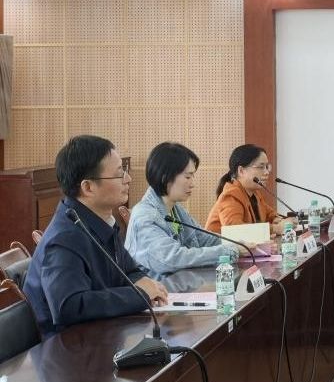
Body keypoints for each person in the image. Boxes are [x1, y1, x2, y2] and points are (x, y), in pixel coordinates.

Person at [22, 135, 169, 336]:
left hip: (102, 335)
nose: (128, 179)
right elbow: (70, 306)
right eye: (119, 174)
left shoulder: (100, 221)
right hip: (69, 347)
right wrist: (140, 295)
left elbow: (129, 271)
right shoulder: (64, 238)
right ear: (88, 187)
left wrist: (147, 284)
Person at [125, 142, 239, 276]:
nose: (192, 184)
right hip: (158, 288)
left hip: (180, 284)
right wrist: (228, 251)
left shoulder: (175, 209)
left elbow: (204, 239)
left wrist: (239, 245)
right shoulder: (144, 216)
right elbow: (172, 259)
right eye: (188, 177)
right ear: (165, 177)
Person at [206, 144, 285, 234]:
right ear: (241, 171)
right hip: (219, 243)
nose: (266, 172)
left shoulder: (255, 194)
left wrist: (279, 220)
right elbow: (235, 229)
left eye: (267, 167)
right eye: (261, 167)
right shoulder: (230, 195)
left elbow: (270, 215)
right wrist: (274, 229)